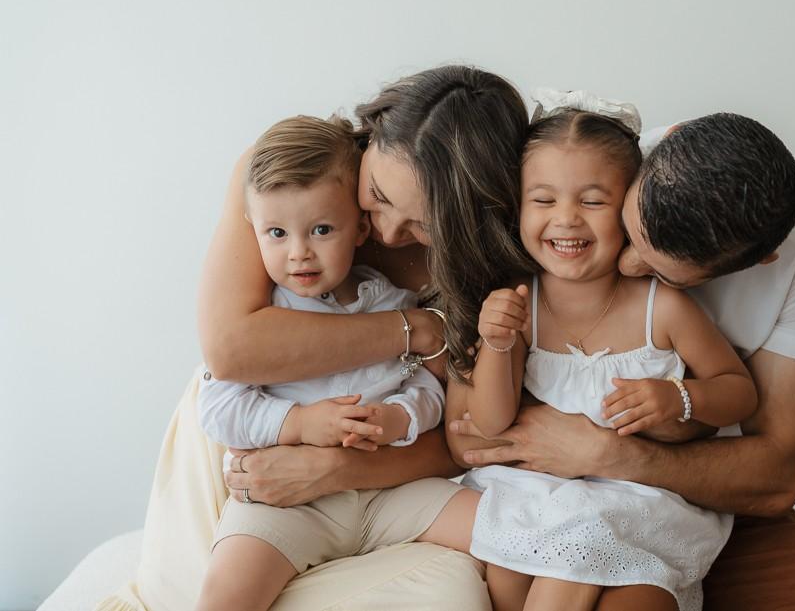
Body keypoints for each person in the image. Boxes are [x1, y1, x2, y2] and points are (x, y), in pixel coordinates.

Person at [97, 65, 531, 611]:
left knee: (505, 553)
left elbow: (459, 435)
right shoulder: (286, 175)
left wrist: (338, 465)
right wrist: (414, 329)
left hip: (384, 465)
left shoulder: (477, 258)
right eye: (376, 195)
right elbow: (232, 352)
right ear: (373, 134)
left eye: (424, 226)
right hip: (259, 428)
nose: (390, 232)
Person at [450, 113, 795, 610]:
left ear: (759, 260)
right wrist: (496, 347)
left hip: (669, 493)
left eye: (667, 273)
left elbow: (775, 468)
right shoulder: (595, 163)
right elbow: (475, 426)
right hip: (543, 487)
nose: (630, 268)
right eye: (631, 231)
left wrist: (671, 408)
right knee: (513, 582)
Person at [457, 94, 758, 611]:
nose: (567, 219)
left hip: (637, 501)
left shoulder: (662, 308)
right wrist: (498, 343)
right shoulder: (518, 302)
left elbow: (739, 393)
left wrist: (679, 398)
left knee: (637, 599)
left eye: (592, 201)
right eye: (544, 200)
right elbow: (489, 421)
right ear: (518, 206)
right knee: (508, 585)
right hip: (541, 497)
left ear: (629, 209)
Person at [193, 114, 479, 611]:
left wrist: (401, 417)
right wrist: (299, 423)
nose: (299, 253)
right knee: (225, 595)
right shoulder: (270, 315)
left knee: (505, 529)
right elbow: (217, 408)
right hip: (284, 499)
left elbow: (427, 389)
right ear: (254, 230)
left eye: (321, 230)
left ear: (360, 228)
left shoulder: (391, 302)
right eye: (276, 233)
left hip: (390, 487)